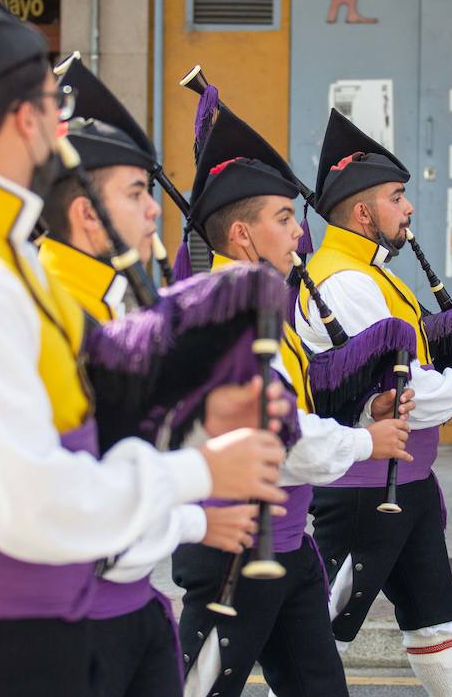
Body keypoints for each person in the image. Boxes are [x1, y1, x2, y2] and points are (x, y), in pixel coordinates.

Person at [0, 0, 288, 697]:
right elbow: (31, 503)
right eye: (55, 108)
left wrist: (204, 405)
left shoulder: (1, 250)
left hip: (16, 637)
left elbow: (100, 387)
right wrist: (198, 470)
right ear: (27, 122)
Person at [171, 105, 415, 697]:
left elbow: (305, 397)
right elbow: (281, 440)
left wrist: (364, 409)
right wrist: (366, 441)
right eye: (284, 218)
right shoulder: (225, 318)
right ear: (242, 234)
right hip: (233, 555)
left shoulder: (262, 305)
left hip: (288, 545)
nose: (300, 230)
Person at [39, 62, 266, 697]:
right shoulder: (52, 312)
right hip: (70, 619)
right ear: (87, 215)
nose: (152, 212)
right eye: (137, 193)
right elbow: (73, 486)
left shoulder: (121, 303)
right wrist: (199, 500)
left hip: (137, 599)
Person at [295, 109, 452, 697]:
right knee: (319, 632)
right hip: (363, 487)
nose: (408, 207)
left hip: (405, 481)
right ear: (364, 213)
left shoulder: (373, 274)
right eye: (397, 197)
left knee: (435, 617)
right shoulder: (343, 281)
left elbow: (420, 352)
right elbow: (397, 391)